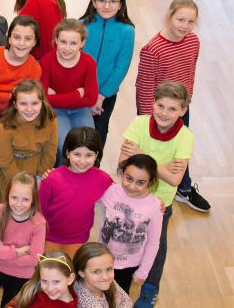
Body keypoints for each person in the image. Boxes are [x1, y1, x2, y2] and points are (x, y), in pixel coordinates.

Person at [118, 81, 194, 307]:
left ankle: (150, 289)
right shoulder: (139, 123)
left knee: (156, 245)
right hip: (130, 195)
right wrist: (163, 167)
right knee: (123, 238)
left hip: (160, 203)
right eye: (160, 106)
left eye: (172, 109)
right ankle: (119, 282)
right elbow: (123, 163)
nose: (164, 113)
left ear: (183, 111)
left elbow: (174, 180)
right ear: (152, 104)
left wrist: (141, 155)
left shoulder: (186, 137)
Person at [134, 0, 208, 213]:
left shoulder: (193, 41)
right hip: (157, 113)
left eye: (190, 21)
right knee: (153, 153)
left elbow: (190, 73)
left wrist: (185, 104)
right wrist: (150, 117)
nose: (184, 26)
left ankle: (183, 189)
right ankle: (144, 187)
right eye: (180, 19)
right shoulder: (153, 49)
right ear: (169, 16)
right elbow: (145, 85)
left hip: (181, 109)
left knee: (180, 150)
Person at [0, 172, 46, 308]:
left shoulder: (39, 223)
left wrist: (1, 250)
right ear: (7, 196)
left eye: (25, 199)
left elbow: (35, 259)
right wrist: (17, 252)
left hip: (20, 277)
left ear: (33, 200)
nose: (18, 204)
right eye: (14, 198)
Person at [38, 127, 112, 258]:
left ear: (97, 155)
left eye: (89, 155)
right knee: (48, 272)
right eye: (77, 154)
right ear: (67, 153)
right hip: (48, 237)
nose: (82, 161)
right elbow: (40, 210)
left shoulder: (102, 179)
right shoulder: (51, 178)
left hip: (78, 239)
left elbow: (122, 196)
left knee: (70, 273)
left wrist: (154, 202)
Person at [79, 0, 134, 146]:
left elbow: (121, 66)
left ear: (120, 5)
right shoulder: (82, 25)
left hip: (106, 95)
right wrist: (86, 93)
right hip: (79, 91)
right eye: (102, 0)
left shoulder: (127, 31)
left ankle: (94, 170)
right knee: (77, 132)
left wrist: (100, 96)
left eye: (113, 1)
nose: (107, 6)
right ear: (94, 2)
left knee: (98, 131)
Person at [99, 155, 162, 293]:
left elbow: (154, 242)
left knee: (118, 298)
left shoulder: (155, 206)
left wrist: (143, 272)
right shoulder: (110, 191)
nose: (132, 186)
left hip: (128, 267)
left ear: (150, 182)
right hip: (101, 259)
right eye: (128, 178)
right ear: (122, 173)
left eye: (140, 182)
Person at [39, 19, 98, 157]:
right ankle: (62, 176)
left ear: (82, 43)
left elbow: (91, 99)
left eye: (73, 43)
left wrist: (55, 97)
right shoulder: (46, 62)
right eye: (63, 42)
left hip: (81, 110)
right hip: (57, 111)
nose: (67, 48)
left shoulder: (89, 63)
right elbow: (43, 98)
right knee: (64, 146)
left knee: (88, 145)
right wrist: (77, 94)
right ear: (56, 40)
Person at [0, 79, 57, 194]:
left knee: (38, 208)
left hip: (38, 175)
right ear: (15, 104)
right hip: (12, 176)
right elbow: (5, 160)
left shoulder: (50, 121)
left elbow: (49, 155)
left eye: (34, 103)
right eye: (23, 104)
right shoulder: (4, 126)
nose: (29, 109)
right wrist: (19, 185)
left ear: (42, 102)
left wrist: (39, 179)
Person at [0, 15, 41, 114]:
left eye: (28, 39)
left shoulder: (35, 68)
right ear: (9, 38)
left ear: (34, 42)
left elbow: (24, 100)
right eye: (17, 37)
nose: (21, 43)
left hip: (13, 114)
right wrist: (10, 96)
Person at [71, 242, 133, 308]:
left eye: (109, 269)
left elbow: (128, 301)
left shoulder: (101, 281)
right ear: (81, 273)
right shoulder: (88, 304)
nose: (105, 277)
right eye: (96, 271)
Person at [6, 252, 77, 308]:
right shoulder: (35, 291)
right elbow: (14, 304)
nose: (50, 288)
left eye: (56, 282)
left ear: (70, 279)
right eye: (44, 281)